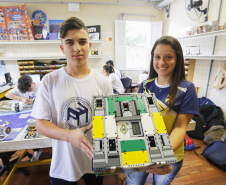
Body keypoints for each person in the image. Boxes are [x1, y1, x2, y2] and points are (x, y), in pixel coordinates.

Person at [31, 17, 113, 185]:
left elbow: (109, 122)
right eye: (70, 43)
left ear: (89, 46)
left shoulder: (103, 82)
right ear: (62, 48)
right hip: (64, 164)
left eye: (82, 42)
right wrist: (69, 135)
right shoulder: (49, 81)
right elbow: (40, 124)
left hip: (95, 159)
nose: (77, 48)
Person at [126, 36, 199, 185]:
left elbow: (180, 127)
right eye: (157, 57)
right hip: (143, 150)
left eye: (168, 57)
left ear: (177, 59)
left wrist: (160, 156)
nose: (161, 62)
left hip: (169, 154)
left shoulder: (187, 88)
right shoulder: (145, 85)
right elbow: (138, 119)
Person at [5, 75, 42, 161]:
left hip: (39, 112)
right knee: (27, 130)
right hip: (27, 113)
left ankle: (37, 149)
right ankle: (36, 149)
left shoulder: (41, 85)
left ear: (33, 83)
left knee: (36, 129)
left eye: (29, 90)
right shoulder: (20, 88)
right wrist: (20, 98)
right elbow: (7, 94)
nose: (27, 92)